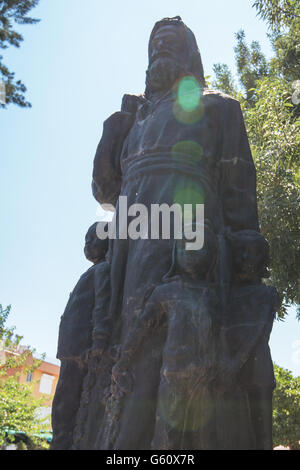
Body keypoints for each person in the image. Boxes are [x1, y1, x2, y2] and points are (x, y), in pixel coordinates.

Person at [91, 16, 261, 449]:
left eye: (169, 44)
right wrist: (117, 126)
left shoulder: (219, 106)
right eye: (153, 47)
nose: (159, 52)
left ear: (191, 55)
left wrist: (246, 239)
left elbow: (239, 188)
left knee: (173, 360)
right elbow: (106, 192)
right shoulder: (134, 121)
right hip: (130, 247)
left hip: (189, 241)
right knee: (123, 361)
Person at [110, 223, 219, 449]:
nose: (189, 251)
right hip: (174, 375)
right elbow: (141, 328)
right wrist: (123, 361)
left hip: (206, 376)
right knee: (166, 439)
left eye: (198, 246)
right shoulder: (166, 291)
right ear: (175, 253)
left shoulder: (213, 295)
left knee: (203, 439)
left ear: (210, 254)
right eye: (184, 246)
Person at [219, 230, 280, 449]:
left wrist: (233, 364)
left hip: (257, 371)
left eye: (251, 253)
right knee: (232, 433)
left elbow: (258, 332)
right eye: (240, 252)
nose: (244, 258)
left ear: (262, 258)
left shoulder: (267, 294)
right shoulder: (226, 295)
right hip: (229, 369)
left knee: (262, 435)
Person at [51, 223, 110, 450]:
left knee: (65, 404)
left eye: (92, 239)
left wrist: (99, 340)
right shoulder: (94, 271)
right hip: (70, 349)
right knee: (63, 402)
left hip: (79, 350)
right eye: (86, 240)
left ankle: (62, 443)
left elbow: (102, 305)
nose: (87, 245)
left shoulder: (103, 270)